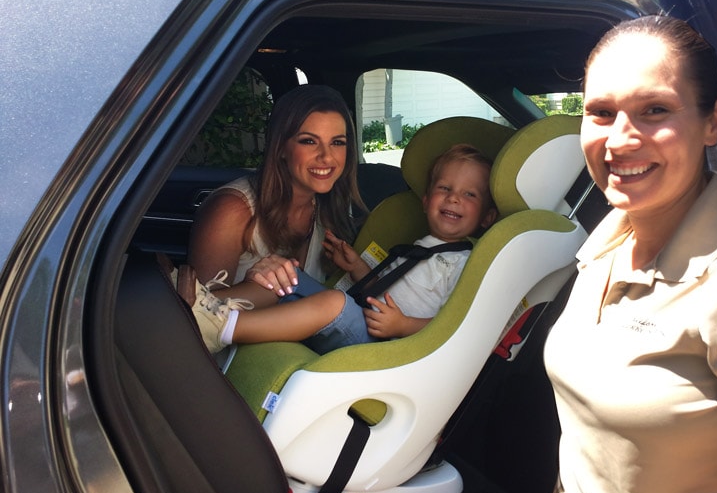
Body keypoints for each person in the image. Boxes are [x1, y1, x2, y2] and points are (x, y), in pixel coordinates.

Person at [544, 15, 717, 493]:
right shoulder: (602, 248)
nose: (619, 140)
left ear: (713, 122)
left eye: (655, 110)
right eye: (600, 112)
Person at [184, 143, 498, 354]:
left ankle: (223, 328)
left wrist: (404, 326)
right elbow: (387, 290)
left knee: (334, 302)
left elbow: (459, 326)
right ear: (427, 199)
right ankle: (199, 304)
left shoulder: (465, 264)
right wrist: (356, 268)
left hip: (388, 347)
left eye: (469, 195)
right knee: (286, 273)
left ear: (486, 217)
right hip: (367, 321)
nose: (454, 198)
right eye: (444, 188)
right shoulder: (417, 248)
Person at [187, 83, 366, 298]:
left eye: (337, 142)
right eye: (309, 141)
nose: (327, 157)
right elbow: (197, 316)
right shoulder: (232, 210)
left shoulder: (332, 206)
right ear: (281, 147)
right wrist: (253, 285)